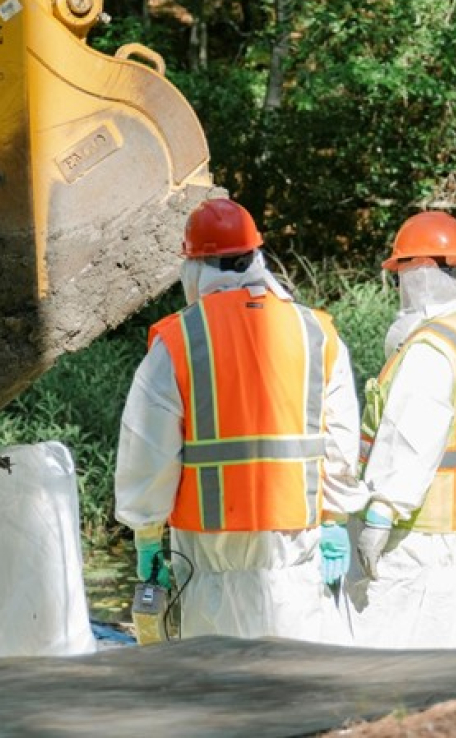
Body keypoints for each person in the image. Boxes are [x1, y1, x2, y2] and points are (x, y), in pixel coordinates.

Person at [114, 198, 366, 643]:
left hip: (211, 557)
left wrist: (147, 533)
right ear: (256, 257)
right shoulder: (316, 333)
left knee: (219, 695)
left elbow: (147, 449)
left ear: (194, 266)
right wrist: (334, 517)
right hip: (298, 549)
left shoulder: (179, 340)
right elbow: (341, 437)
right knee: (299, 686)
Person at [348, 211, 456, 648]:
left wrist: (380, 514)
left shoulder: (431, 349)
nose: (399, 287)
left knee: (395, 673)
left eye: (401, 273)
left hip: (421, 543)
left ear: (419, 273)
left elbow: (409, 442)